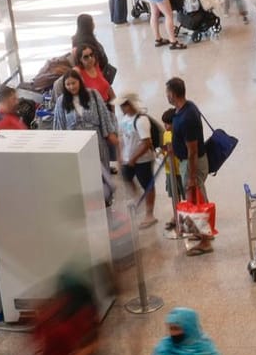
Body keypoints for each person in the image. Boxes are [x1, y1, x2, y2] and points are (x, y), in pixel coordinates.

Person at [165, 77, 213, 252]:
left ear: (172, 94)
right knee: (196, 200)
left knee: (197, 202)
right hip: (189, 162)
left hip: (192, 164)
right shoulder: (186, 108)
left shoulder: (187, 117)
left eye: (167, 93)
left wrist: (192, 177)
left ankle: (206, 241)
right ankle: (201, 233)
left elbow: (192, 150)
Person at [52, 70, 119, 169]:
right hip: (76, 145)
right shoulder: (61, 101)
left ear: (80, 82)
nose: (71, 87)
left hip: (96, 142)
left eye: (74, 83)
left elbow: (104, 116)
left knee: (100, 172)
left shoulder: (93, 94)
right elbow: (59, 126)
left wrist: (111, 135)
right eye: (68, 84)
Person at [115, 95, 159, 224]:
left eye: (124, 105)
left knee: (148, 185)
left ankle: (150, 214)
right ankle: (138, 199)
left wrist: (134, 158)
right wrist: (120, 157)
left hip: (143, 160)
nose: (122, 108)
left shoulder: (141, 120)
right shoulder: (124, 119)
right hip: (128, 159)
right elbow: (122, 138)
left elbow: (146, 143)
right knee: (126, 178)